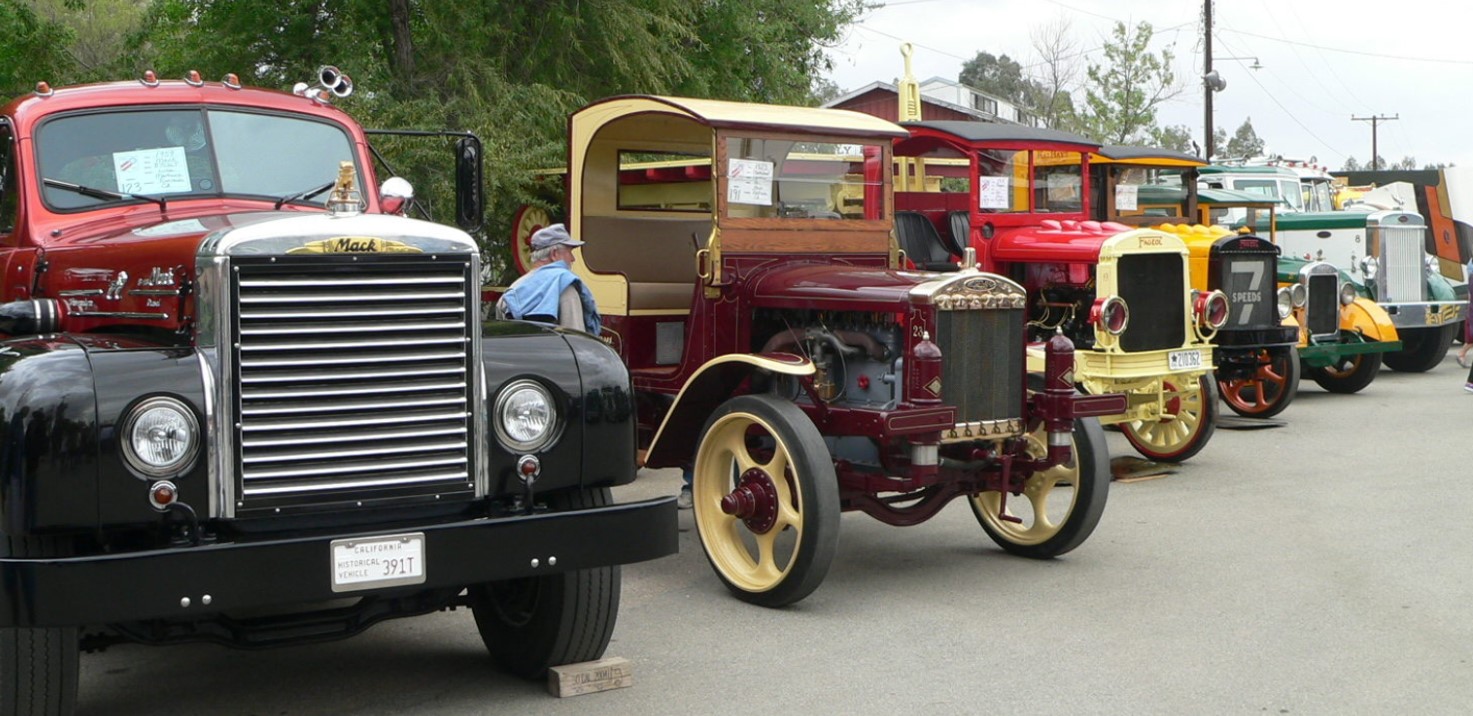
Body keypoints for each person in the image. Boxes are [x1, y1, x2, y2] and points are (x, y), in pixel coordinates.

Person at [495, 223, 601, 334]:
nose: (573, 259)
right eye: (569, 252)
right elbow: (576, 340)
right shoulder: (565, 289)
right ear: (554, 254)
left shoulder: (511, 291)